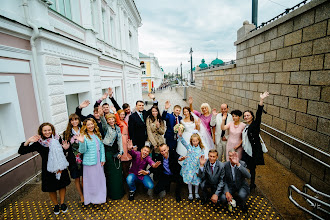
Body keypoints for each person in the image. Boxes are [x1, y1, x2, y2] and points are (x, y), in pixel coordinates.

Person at [18, 123, 71, 215]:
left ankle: (62, 203)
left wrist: (66, 149)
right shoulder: (39, 143)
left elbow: (63, 151)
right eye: (45, 130)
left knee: (62, 185)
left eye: (49, 130)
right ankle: (56, 205)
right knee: (51, 188)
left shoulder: (58, 139)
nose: (47, 132)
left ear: (52, 130)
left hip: (60, 167)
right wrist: (28, 141)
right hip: (48, 169)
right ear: (41, 132)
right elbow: (21, 151)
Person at [242, 91, 269, 190]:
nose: (246, 117)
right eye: (245, 116)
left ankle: (252, 184)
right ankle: (244, 181)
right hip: (247, 149)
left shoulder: (255, 124)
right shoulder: (246, 126)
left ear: (252, 116)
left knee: (252, 168)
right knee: (244, 165)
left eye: (248, 115)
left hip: (253, 150)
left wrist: (261, 100)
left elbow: (259, 113)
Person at [77, 118, 106, 205]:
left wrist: (103, 158)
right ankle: (91, 199)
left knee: (99, 180)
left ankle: (100, 197)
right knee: (91, 182)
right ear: (85, 126)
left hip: (98, 162)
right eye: (88, 124)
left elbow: (102, 147)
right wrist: (82, 142)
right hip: (90, 163)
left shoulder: (97, 134)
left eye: (92, 124)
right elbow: (82, 151)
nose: (90, 126)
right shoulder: (84, 136)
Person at [99, 107, 124, 200]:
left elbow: (120, 140)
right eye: (109, 119)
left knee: (118, 173)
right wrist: (101, 115)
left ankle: (119, 192)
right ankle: (112, 194)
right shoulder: (106, 128)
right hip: (108, 151)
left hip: (116, 151)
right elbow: (103, 122)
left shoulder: (117, 128)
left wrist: (121, 152)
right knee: (110, 173)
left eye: (112, 118)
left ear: (114, 119)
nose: (111, 120)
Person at [177, 128, 204, 201]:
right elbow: (183, 142)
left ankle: (196, 193)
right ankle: (190, 193)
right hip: (189, 167)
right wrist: (180, 136)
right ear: (191, 141)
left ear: (199, 141)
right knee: (189, 180)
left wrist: (200, 166)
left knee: (196, 180)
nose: (195, 142)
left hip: (196, 167)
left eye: (196, 141)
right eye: (193, 141)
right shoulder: (189, 147)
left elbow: (202, 158)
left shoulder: (201, 149)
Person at [63, 114, 84, 203]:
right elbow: (64, 146)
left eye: (76, 119)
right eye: (72, 120)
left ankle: (86, 193)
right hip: (73, 159)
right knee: (77, 178)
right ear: (70, 122)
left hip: (84, 157)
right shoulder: (66, 133)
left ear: (79, 120)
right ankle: (81, 196)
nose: (74, 121)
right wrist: (66, 148)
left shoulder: (83, 130)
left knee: (85, 177)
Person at [111, 106, 131, 179]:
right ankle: (125, 175)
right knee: (124, 157)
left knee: (129, 157)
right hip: (122, 139)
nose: (122, 115)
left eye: (123, 114)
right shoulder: (118, 122)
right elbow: (118, 120)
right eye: (121, 114)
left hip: (126, 138)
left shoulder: (124, 121)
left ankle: (126, 173)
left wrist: (128, 139)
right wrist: (115, 112)